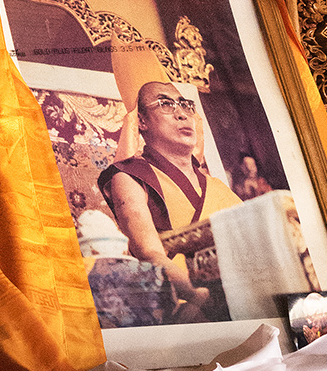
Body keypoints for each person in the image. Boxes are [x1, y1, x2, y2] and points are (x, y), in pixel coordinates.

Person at [98, 49, 243, 323]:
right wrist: (198, 296)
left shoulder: (218, 188)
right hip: (182, 305)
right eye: (165, 104)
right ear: (141, 121)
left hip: (241, 298)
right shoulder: (129, 176)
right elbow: (149, 252)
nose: (181, 114)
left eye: (185, 105)